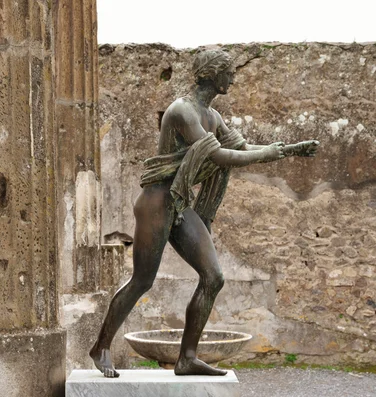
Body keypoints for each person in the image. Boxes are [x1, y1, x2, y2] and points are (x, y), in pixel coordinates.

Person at [89, 49, 319, 378]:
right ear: (211, 73)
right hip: (156, 202)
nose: (234, 77)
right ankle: (101, 347)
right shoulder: (184, 110)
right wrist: (267, 153)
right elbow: (221, 156)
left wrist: (287, 150)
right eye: (228, 71)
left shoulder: (212, 115)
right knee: (143, 280)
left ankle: (187, 358)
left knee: (214, 277)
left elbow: (238, 149)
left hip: (178, 204)